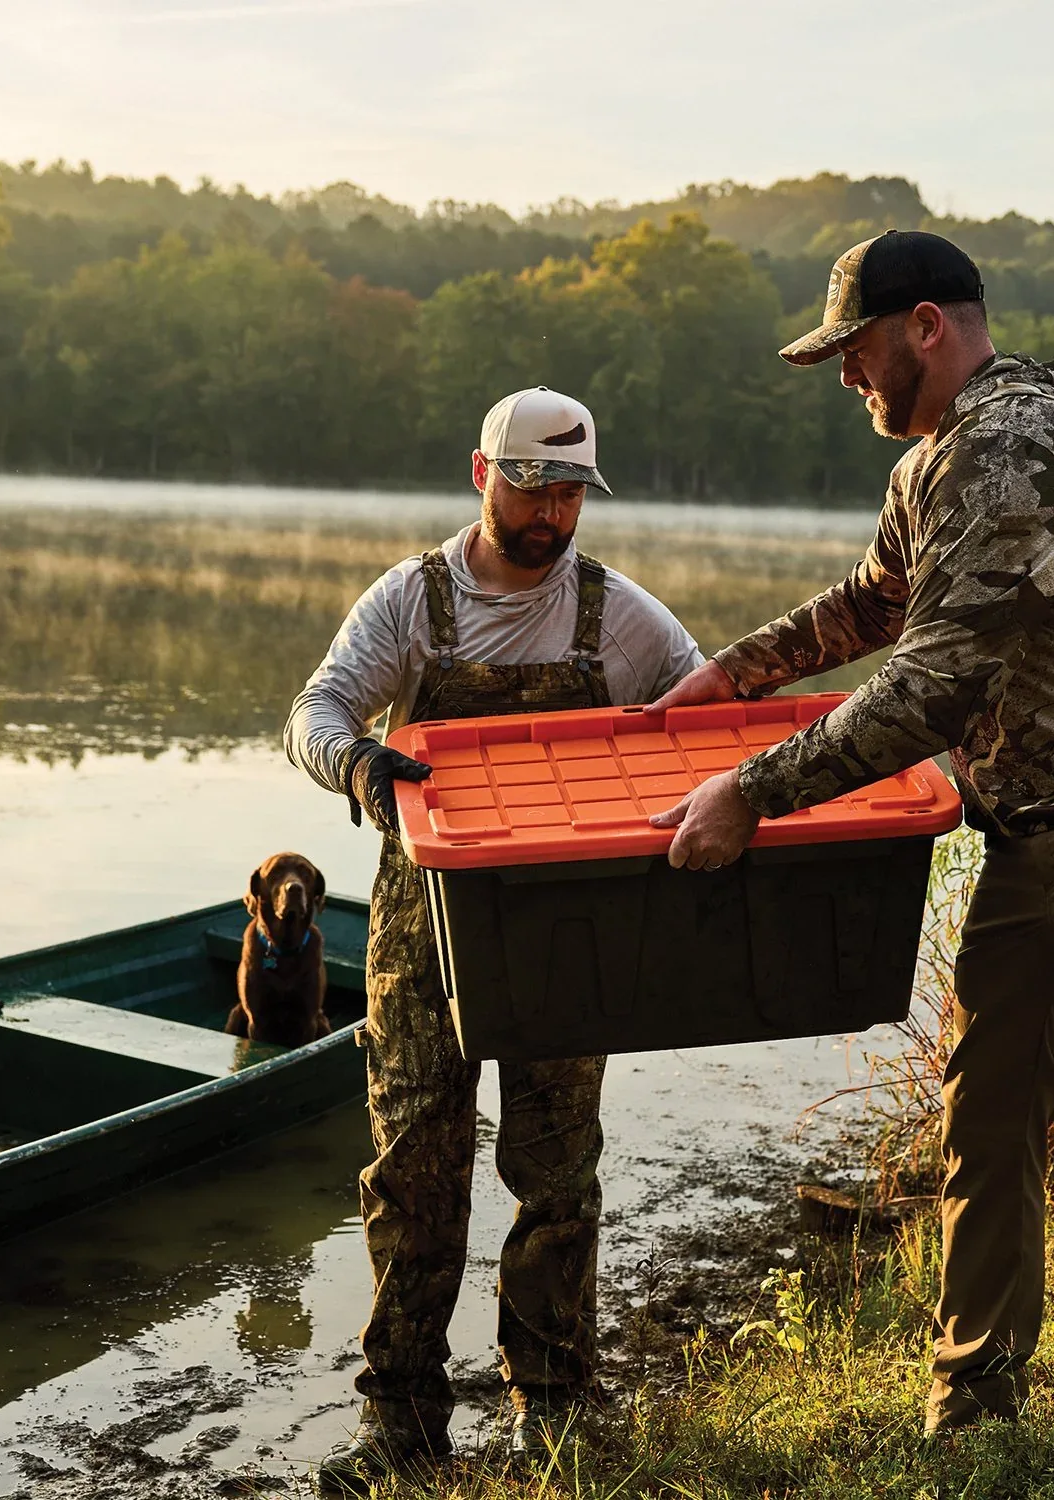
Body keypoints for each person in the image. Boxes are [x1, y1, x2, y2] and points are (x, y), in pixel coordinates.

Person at [649, 231, 1054, 1500]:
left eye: (853, 352)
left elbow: (931, 683)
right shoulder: (936, 466)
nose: (845, 378)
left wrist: (751, 790)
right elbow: (878, 601)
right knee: (987, 1093)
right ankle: (977, 1389)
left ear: (923, 329)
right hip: (1033, 822)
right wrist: (731, 674)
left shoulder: (1010, 443)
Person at [285, 387, 704, 1495]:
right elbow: (315, 712)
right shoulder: (412, 602)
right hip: (423, 925)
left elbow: (702, 724)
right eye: (534, 489)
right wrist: (361, 765)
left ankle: (554, 1404)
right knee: (413, 1167)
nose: (554, 517)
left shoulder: (618, 617)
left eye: (572, 495)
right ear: (483, 475)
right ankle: (403, 1417)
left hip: (567, 931)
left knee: (558, 1174)